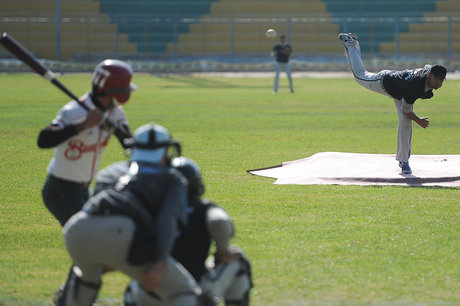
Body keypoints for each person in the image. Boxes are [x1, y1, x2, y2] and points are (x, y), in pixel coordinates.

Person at [57, 123, 201, 305]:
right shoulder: (173, 178)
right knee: (183, 290)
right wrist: (160, 263)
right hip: (120, 232)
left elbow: (95, 210)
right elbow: (167, 222)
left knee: (86, 280)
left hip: (76, 229)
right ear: (167, 151)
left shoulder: (109, 172)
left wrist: (105, 254)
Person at [121, 157, 253, 306]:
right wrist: (223, 251)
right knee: (239, 259)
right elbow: (219, 223)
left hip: (149, 291)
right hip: (188, 295)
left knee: (134, 282)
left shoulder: (151, 209)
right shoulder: (204, 208)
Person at [38, 59, 136, 226]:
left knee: (98, 232)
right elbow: (43, 139)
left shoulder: (114, 112)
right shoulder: (73, 112)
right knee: (87, 232)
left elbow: (128, 142)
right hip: (60, 190)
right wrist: (83, 125)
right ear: (105, 91)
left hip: (84, 189)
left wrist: (114, 129)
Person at [338, 33, 447, 174]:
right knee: (360, 75)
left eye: (441, 80)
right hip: (384, 82)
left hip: (400, 91)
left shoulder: (427, 74)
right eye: (436, 78)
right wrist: (419, 120)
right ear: (428, 75)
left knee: (405, 121)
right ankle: (351, 44)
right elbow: (407, 110)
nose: (439, 82)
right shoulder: (416, 87)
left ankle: (404, 162)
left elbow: (427, 66)